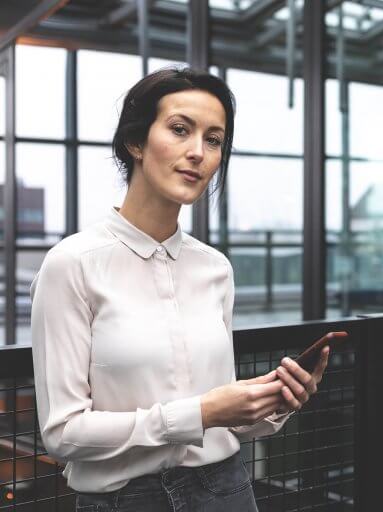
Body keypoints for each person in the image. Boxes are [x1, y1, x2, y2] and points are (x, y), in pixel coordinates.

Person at [30, 67, 328, 512]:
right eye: (179, 129)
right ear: (135, 141)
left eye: (214, 140)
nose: (198, 153)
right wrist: (201, 413)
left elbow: (223, 418)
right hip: (124, 501)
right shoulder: (72, 265)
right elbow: (63, 433)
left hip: (227, 489)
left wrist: (275, 403)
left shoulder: (215, 269)